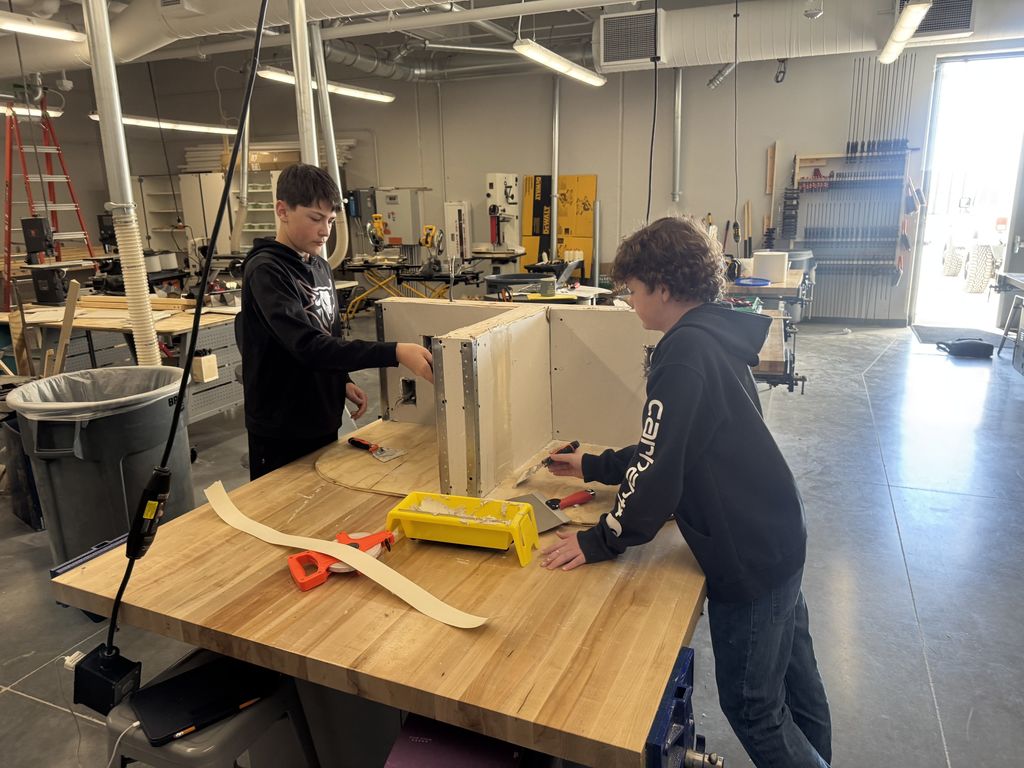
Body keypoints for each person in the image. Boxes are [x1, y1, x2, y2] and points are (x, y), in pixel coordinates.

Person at [539, 216, 832, 767]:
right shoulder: (713, 335)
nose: (628, 302)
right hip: (776, 530)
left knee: (753, 708)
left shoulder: (682, 355)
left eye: (632, 290)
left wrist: (600, 540)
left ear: (664, 289)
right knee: (797, 683)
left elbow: (657, 472)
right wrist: (595, 465)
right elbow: (680, 445)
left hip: (747, 555)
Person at [239, 163, 433, 481]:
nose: (325, 231)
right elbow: (307, 346)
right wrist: (395, 352)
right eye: (315, 219)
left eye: (330, 220)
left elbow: (328, 331)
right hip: (282, 423)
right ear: (282, 210)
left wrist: (340, 379)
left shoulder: (318, 264)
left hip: (321, 415)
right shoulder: (267, 270)